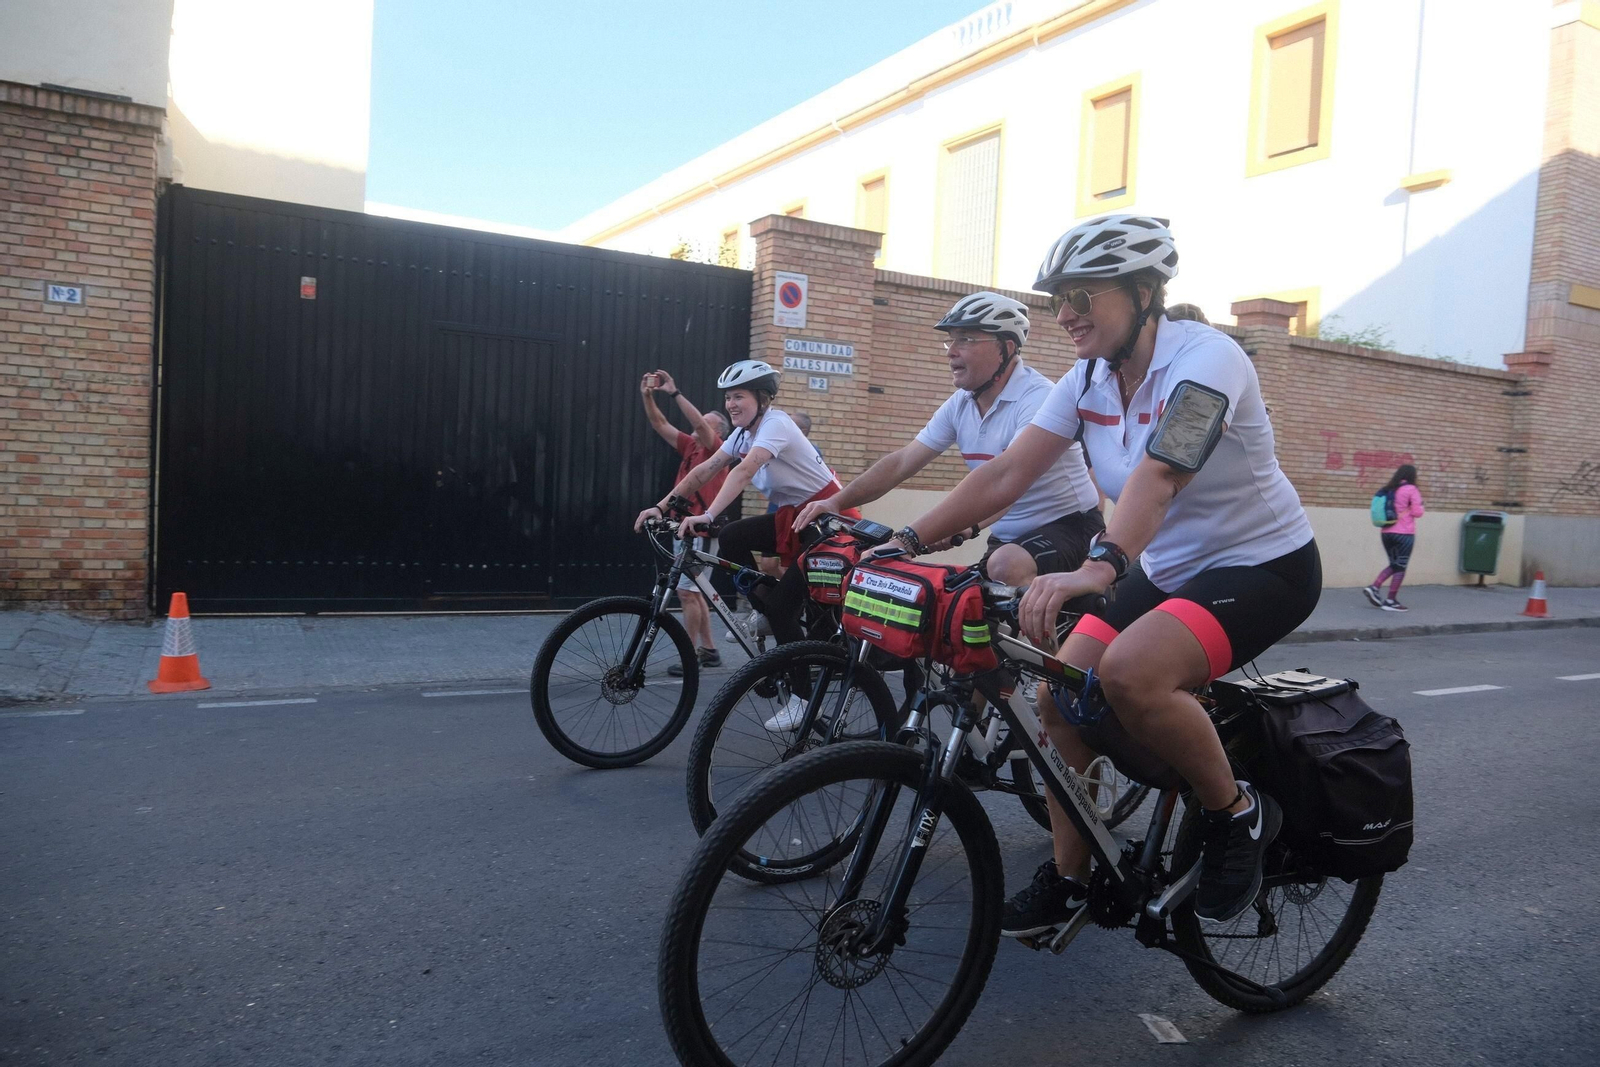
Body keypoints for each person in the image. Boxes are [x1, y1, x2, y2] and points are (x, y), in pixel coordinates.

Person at [874, 214, 1320, 930]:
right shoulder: (1088, 380)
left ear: (1145, 291)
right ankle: (1071, 876)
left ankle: (1235, 814)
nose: (1066, 314)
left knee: (1131, 673)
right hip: (1170, 566)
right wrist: (902, 538)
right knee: (1059, 692)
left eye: (1083, 295)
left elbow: (1162, 474)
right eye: (1058, 298)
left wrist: (1097, 567)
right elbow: (1010, 472)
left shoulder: (1210, 361)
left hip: (1262, 563)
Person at [793, 291, 1103, 587]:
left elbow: (1004, 479)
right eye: (951, 340)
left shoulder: (1038, 398)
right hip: (1009, 535)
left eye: (966, 339)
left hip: (1070, 527)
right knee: (962, 615)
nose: (952, 351)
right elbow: (902, 462)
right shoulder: (961, 403)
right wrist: (836, 501)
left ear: (1005, 347)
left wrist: (910, 537)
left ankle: (1066, 644)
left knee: (1004, 568)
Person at [635, 361, 857, 726]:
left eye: (739, 396)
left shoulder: (776, 424)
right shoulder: (742, 433)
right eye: (728, 397)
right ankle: (765, 607)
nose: (731, 404)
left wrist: (707, 516)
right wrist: (662, 505)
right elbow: (705, 469)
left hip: (830, 522)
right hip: (798, 517)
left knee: (784, 609)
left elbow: (744, 469)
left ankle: (802, 699)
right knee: (734, 535)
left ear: (762, 398)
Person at [639, 369, 729, 673]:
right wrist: (647, 396)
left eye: (704, 424)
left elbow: (699, 424)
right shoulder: (691, 447)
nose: (693, 429)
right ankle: (711, 651)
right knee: (695, 591)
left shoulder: (718, 449)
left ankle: (689, 655)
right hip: (683, 527)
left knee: (687, 593)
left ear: (719, 432)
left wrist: (674, 392)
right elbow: (659, 423)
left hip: (701, 529)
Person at [1364, 464, 1424, 612]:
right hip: (1404, 534)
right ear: (1412, 476)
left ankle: (1375, 587)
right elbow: (1418, 512)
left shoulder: (1389, 489)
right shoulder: (1411, 489)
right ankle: (1390, 600)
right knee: (1401, 566)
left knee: (1394, 564)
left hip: (1387, 532)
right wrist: (1421, 506)